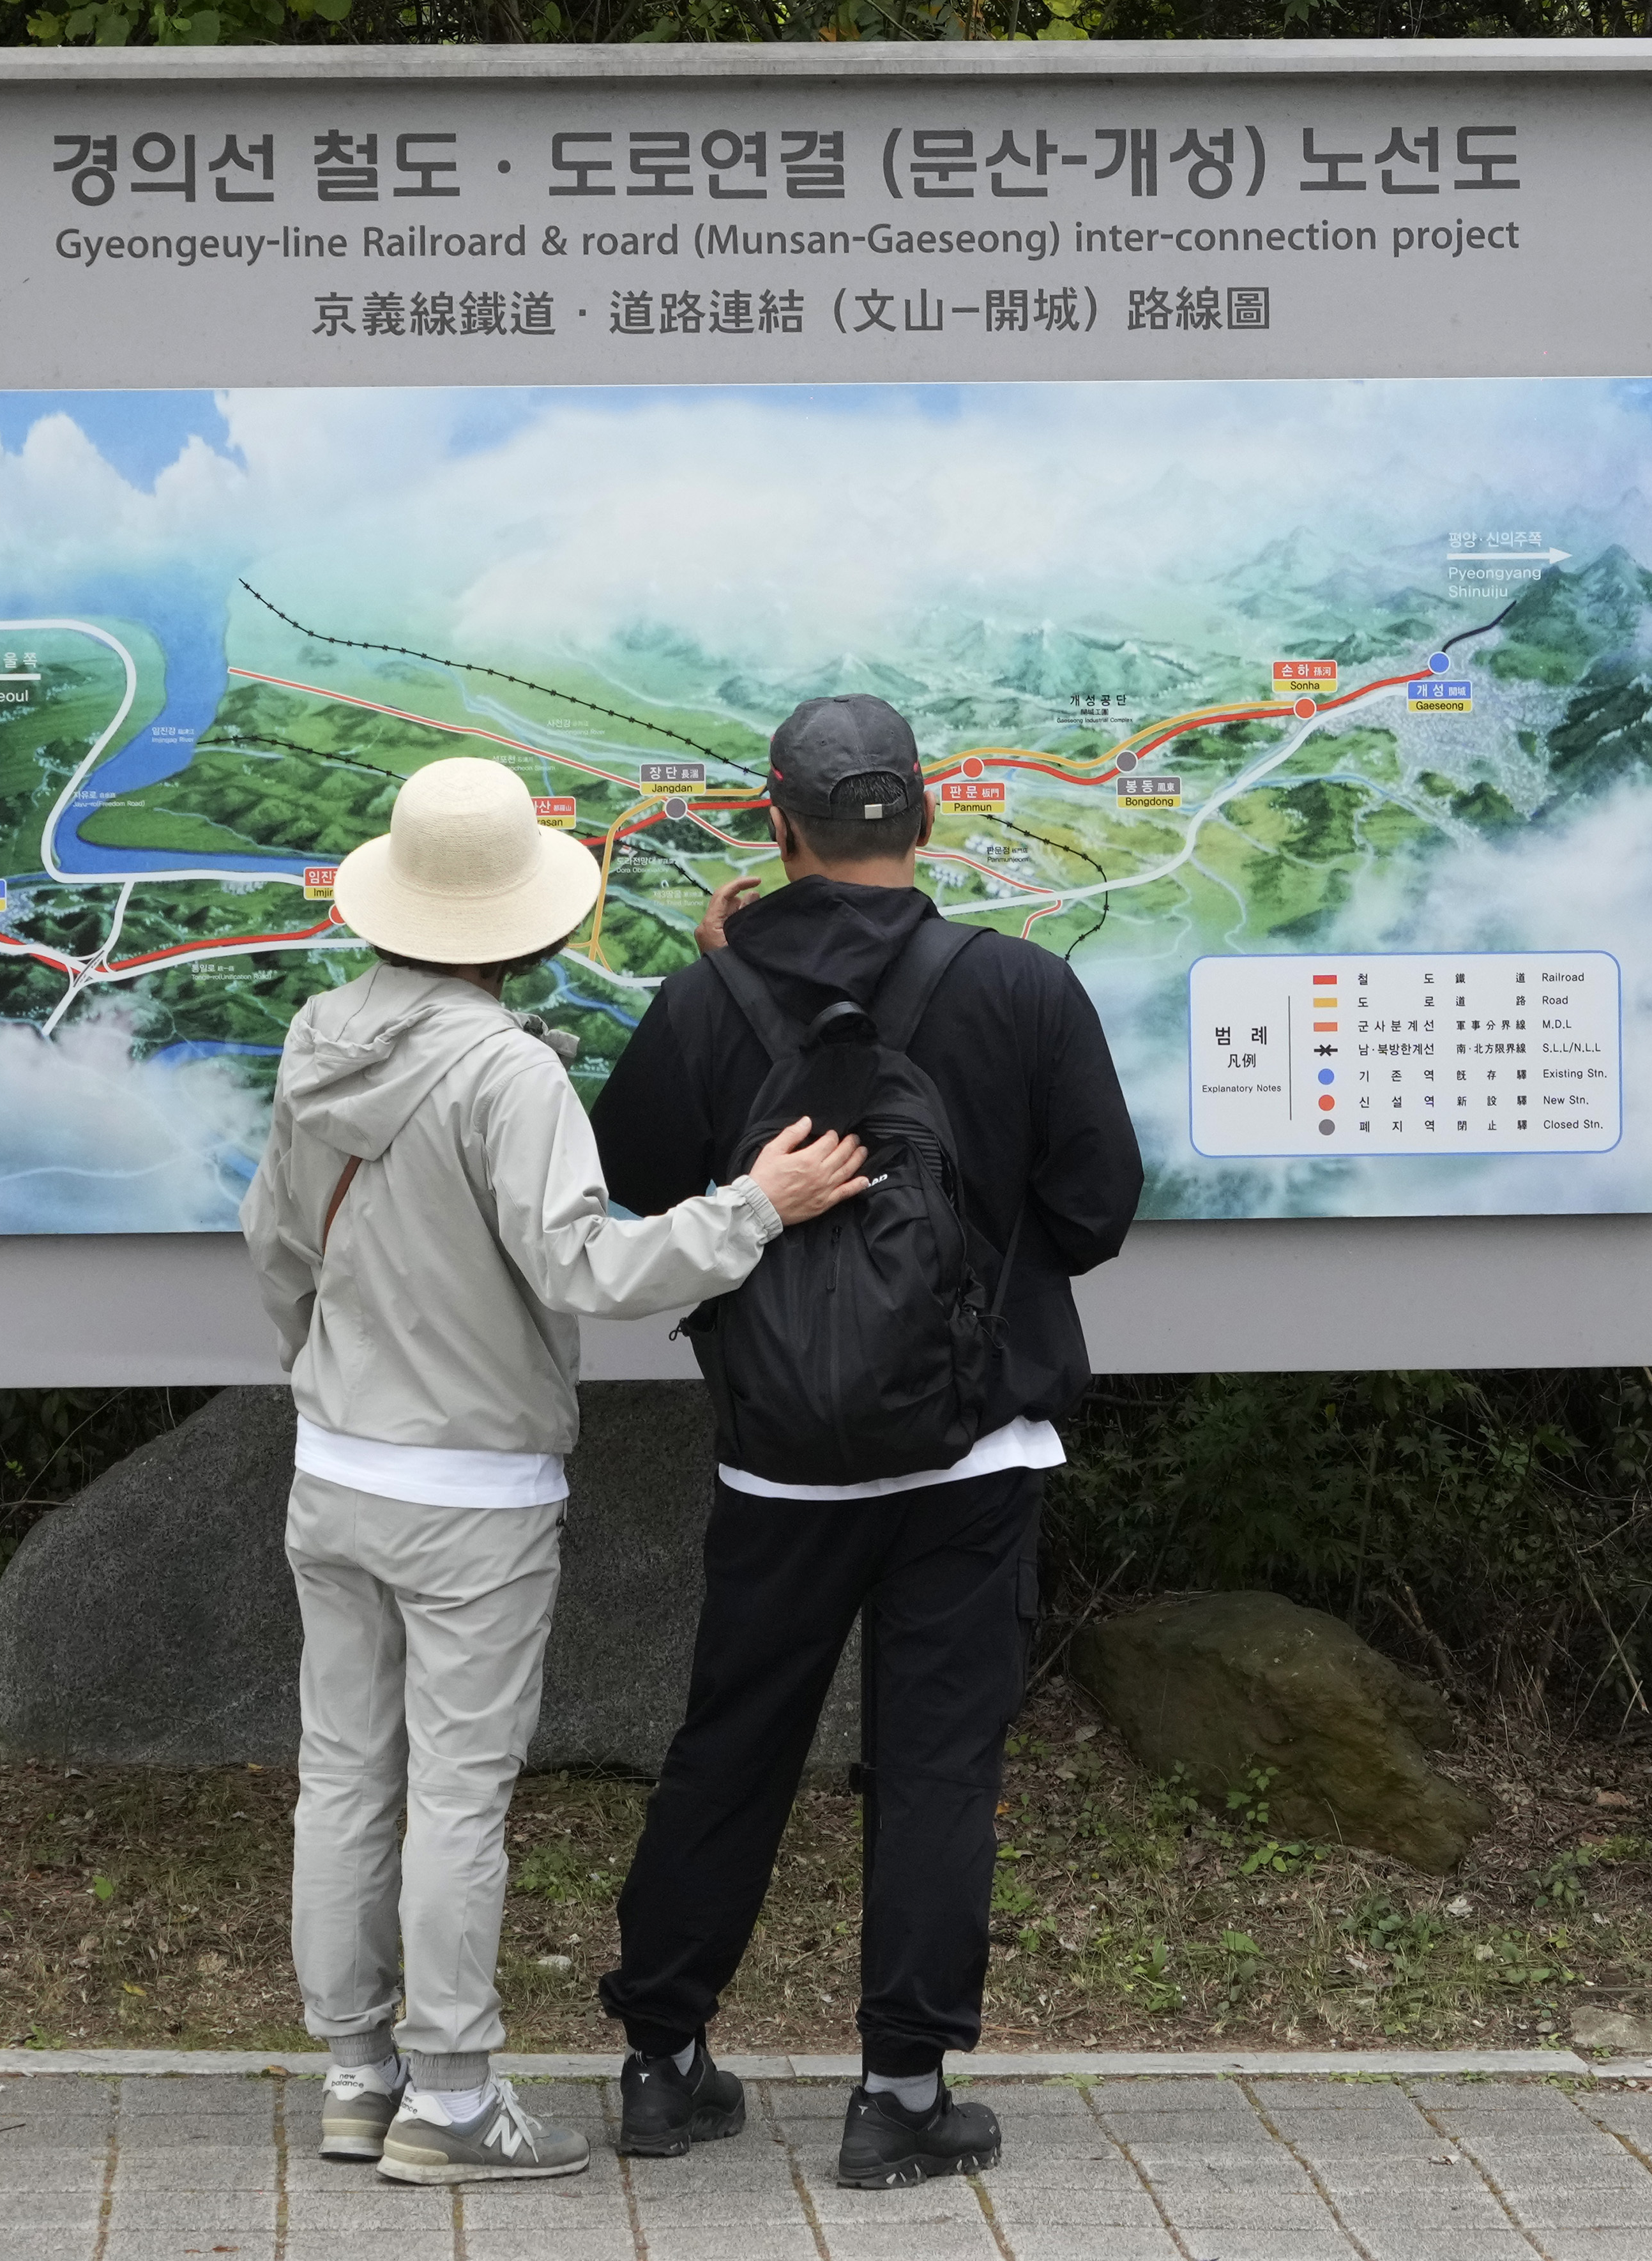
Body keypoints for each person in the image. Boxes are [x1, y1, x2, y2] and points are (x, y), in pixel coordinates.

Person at [241, 755, 868, 2186]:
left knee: (341, 1778)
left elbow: (277, 1248)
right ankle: (454, 2104)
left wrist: (327, 1381)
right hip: (469, 1491)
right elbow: (585, 1265)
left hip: (334, 1466)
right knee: (458, 1794)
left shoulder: (319, 1036)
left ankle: (359, 2074)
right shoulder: (506, 1069)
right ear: (518, 919)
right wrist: (753, 1207)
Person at [589, 693, 1143, 2188]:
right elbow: (1095, 1211)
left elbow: (637, 1179)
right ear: (931, 817)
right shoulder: (1023, 987)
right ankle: (900, 2095)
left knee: (734, 1743)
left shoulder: (710, 1001)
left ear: (779, 822)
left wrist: (727, 1003)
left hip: (778, 1455)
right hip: (973, 1457)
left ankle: (663, 2061)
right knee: (939, 1764)